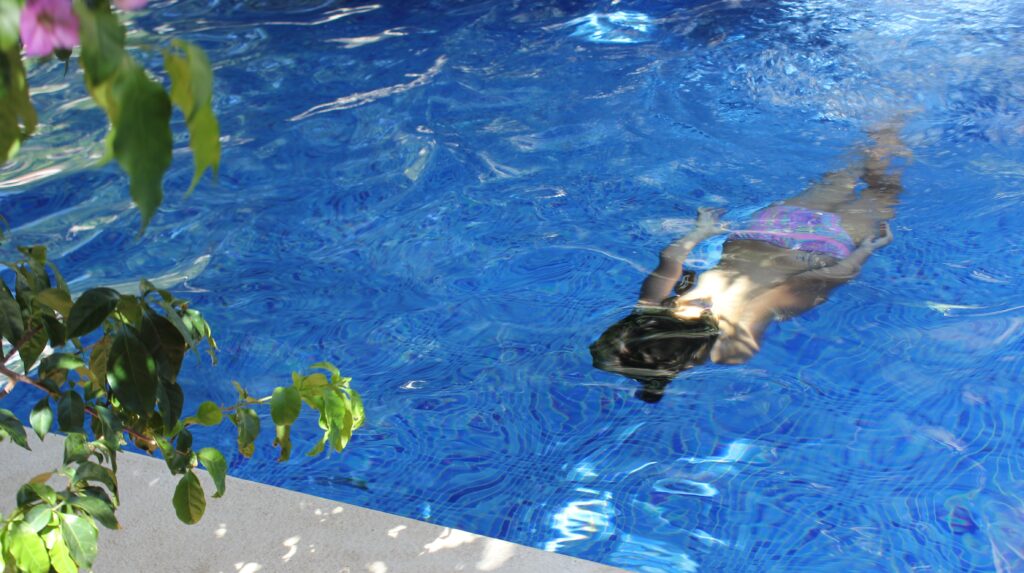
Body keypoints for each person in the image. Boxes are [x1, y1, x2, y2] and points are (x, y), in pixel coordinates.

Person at [590, 125, 909, 402]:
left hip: (822, 245)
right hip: (771, 225)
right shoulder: (652, 304)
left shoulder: (736, 339)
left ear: (687, 362)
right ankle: (884, 126)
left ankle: (899, 140)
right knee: (844, 172)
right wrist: (701, 231)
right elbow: (671, 257)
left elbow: (824, 279)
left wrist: (867, 250)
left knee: (884, 192)